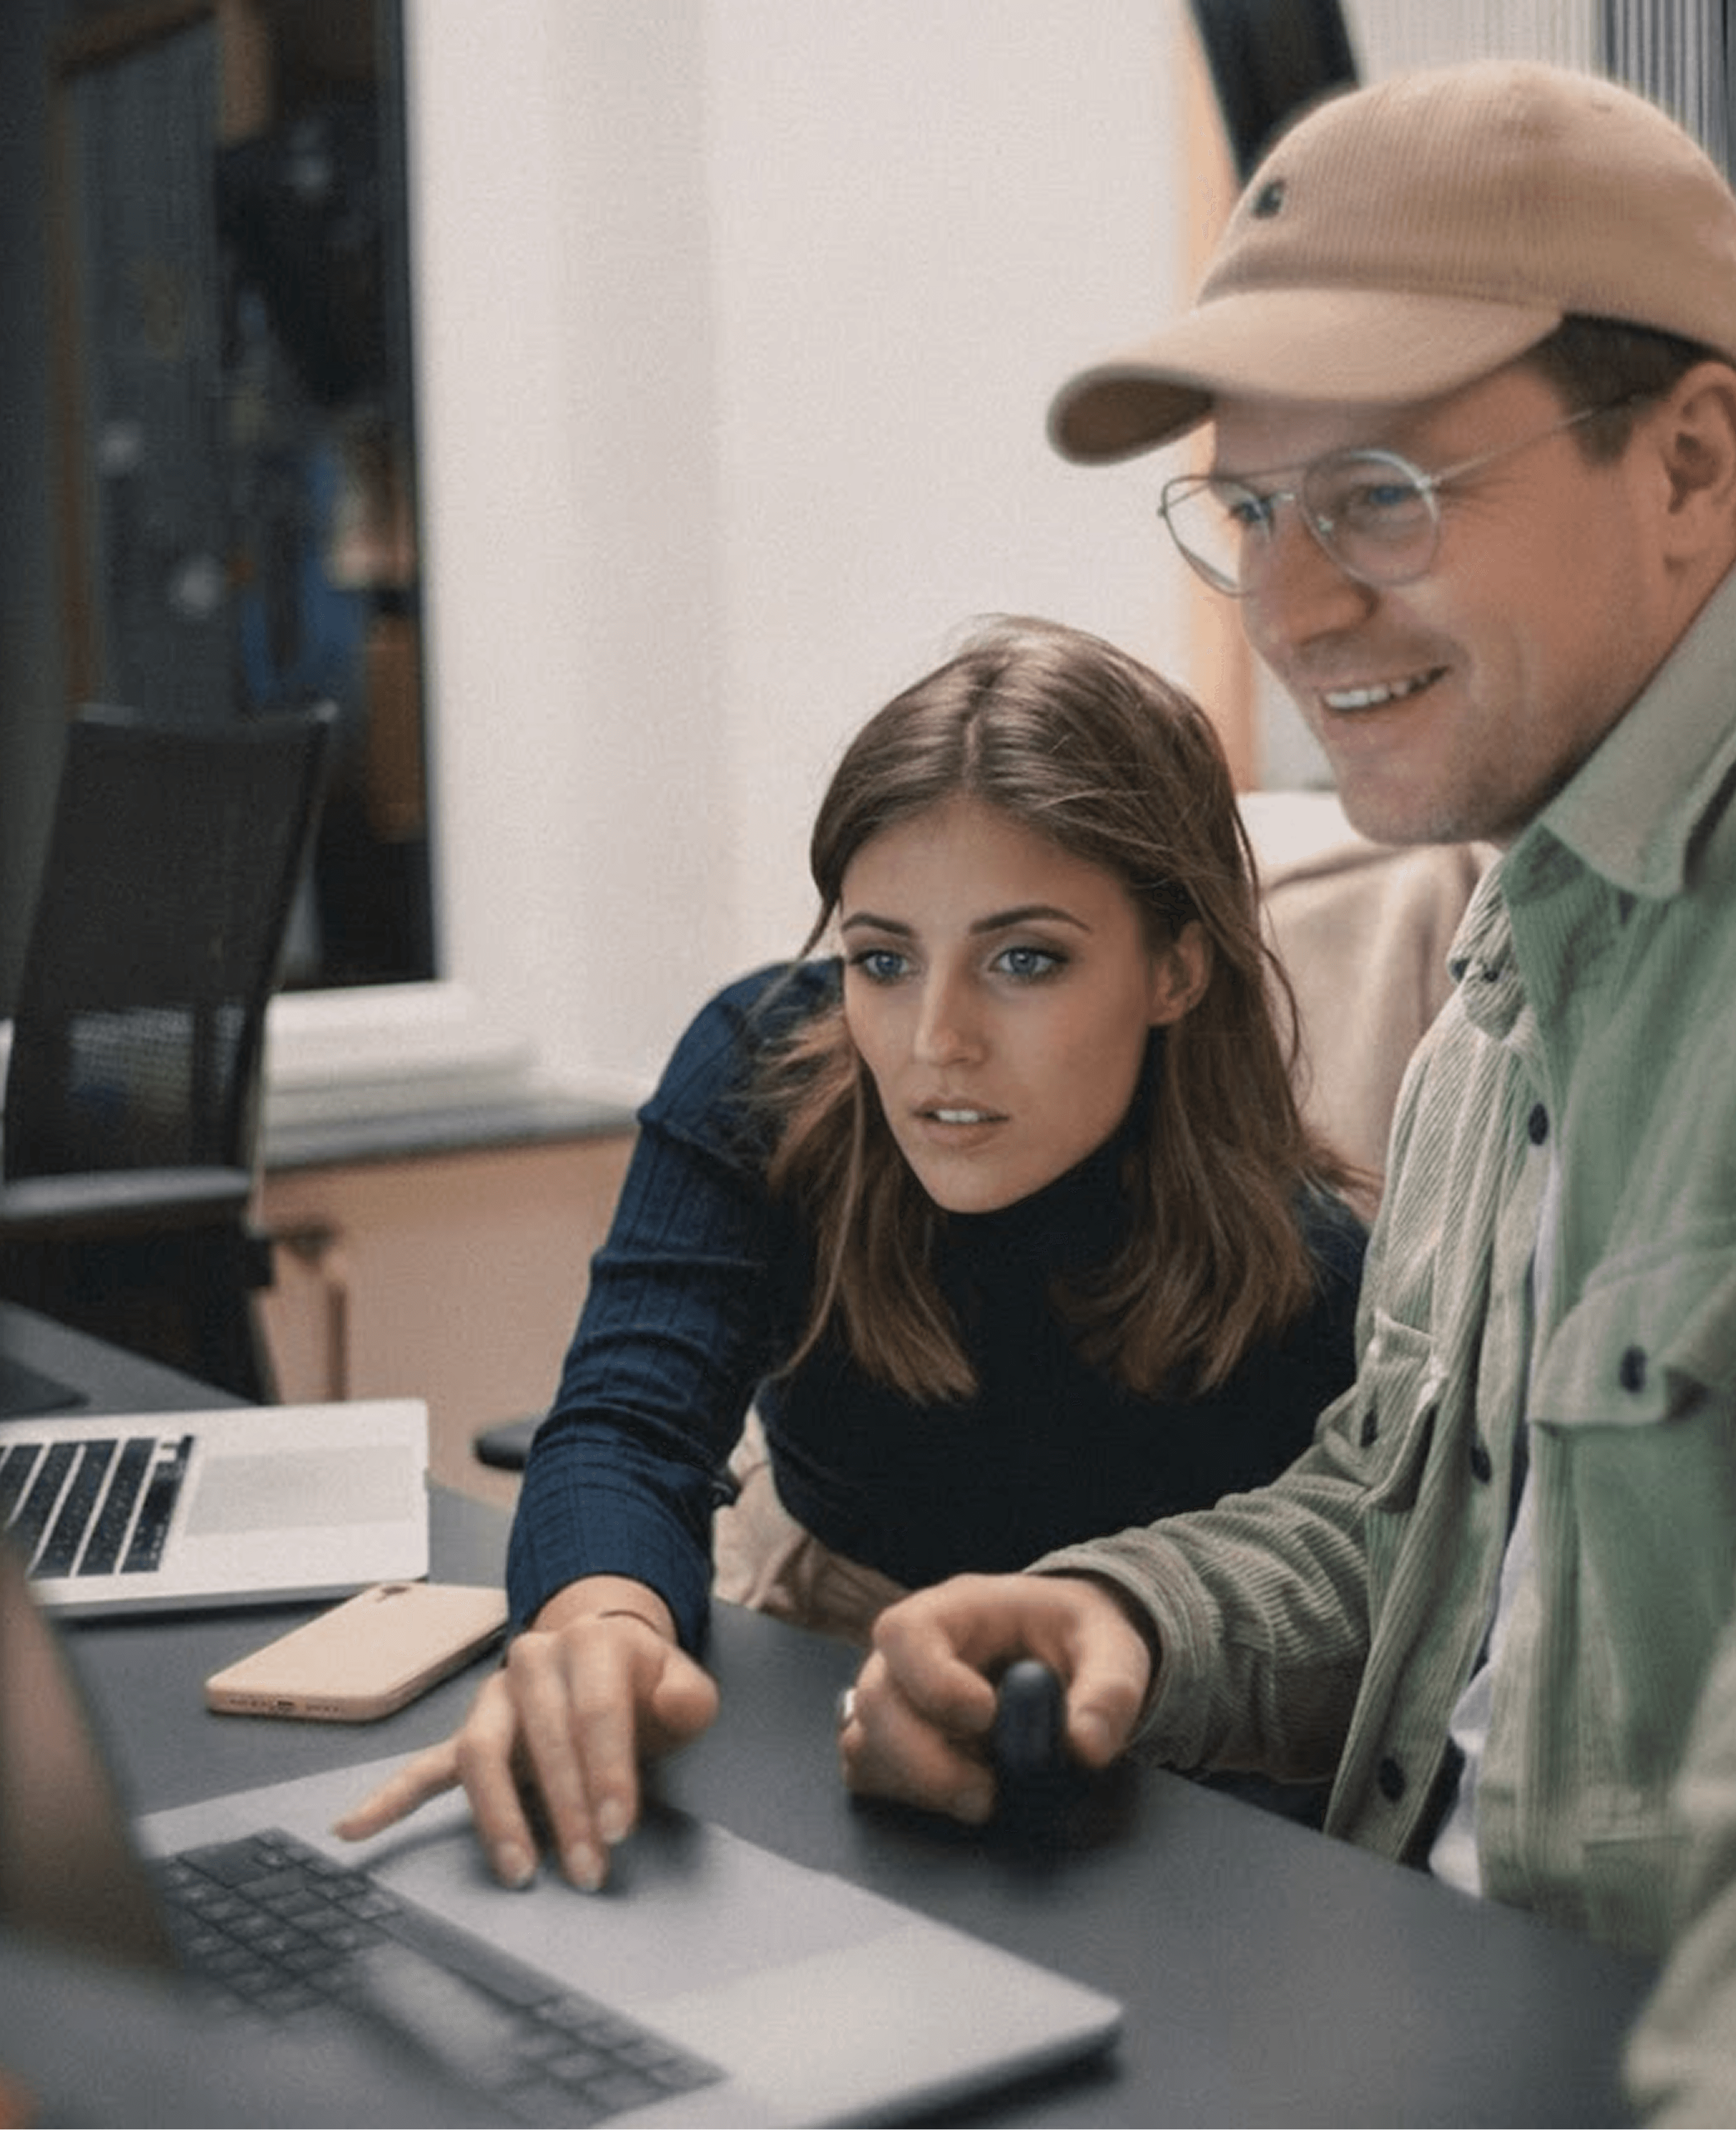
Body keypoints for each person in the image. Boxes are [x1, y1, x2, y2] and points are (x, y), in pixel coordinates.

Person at [834, 62, 1736, 2125]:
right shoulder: (1523, 942)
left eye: (1384, 496)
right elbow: (1413, 1521)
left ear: (1692, 464)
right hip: (1414, 1989)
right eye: (1254, 512)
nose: (1292, 609)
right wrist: (1124, 1615)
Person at [337, 614, 1366, 1893]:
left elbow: (1324, 1650)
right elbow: (626, 1423)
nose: (936, 1040)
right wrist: (601, 1625)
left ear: (1177, 968)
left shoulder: (1309, 1270)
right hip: (809, 1633)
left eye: (1025, 959)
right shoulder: (768, 1068)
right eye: (883, 958)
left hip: (1137, 1752)